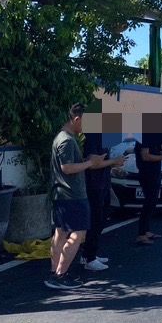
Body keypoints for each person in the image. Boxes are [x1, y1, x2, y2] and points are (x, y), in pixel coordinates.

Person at [46, 103, 110, 290]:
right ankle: (60, 274)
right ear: (77, 119)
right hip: (71, 195)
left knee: (60, 234)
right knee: (77, 234)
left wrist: (87, 162)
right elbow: (67, 168)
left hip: (63, 194)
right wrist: (90, 162)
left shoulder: (65, 137)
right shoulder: (66, 140)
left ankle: (55, 273)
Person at [80, 131, 125, 271]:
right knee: (96, 219)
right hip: (93, 184)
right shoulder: (93, 135)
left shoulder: (104, 136)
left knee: (103, 216)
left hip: (103, 182)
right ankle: (90, 258)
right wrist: (114, 161)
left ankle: (88, 253)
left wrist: (113, 166)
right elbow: (92, 164)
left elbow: (102, 161)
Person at [134, 126, 162, 246]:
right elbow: (145, 156)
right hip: (147, 172)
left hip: (155, 171)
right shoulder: (146, 134)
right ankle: (141, 234)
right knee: (149, 201)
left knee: (153, 201)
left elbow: (160, 149)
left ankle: (146, 231)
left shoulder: (156, 135)